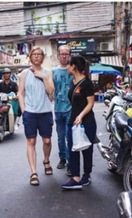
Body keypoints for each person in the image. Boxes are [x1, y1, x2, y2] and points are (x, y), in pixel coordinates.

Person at [18, 46, 55, 186]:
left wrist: (43, 77)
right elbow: (20, 93)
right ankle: (33, 172)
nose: (37, 56)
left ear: (42, 57)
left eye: (39, 54)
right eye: (34, 54)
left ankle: (46, 160)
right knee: (31, 142)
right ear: (30, 56)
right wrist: (24, 110)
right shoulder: (24, 74)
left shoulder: (48, 72)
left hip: (45, 112)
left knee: (46, 141)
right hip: (30, 113)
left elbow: (51, 91)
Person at [61, 55, 97, 190]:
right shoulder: (72, 82)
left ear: (73, 66)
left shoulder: (87, 83)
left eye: (69, 65)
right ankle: (75, 178)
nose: (67, 67)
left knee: (87, 150)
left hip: (86, 122)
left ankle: (86, 175)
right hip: (73, 122)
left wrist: (81, 115)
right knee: (72, 148)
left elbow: (90, 103)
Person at [53, 45, 74, 172]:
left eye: (66, 53)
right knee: (60, 137)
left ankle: (70, 164)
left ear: (70, 55)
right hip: (58, 109)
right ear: (58, 55)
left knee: (69, 136)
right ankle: (62, 158)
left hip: (70, 109)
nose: (64, 56)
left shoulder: (73, 70)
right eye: (62, 53)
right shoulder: (53, 71)